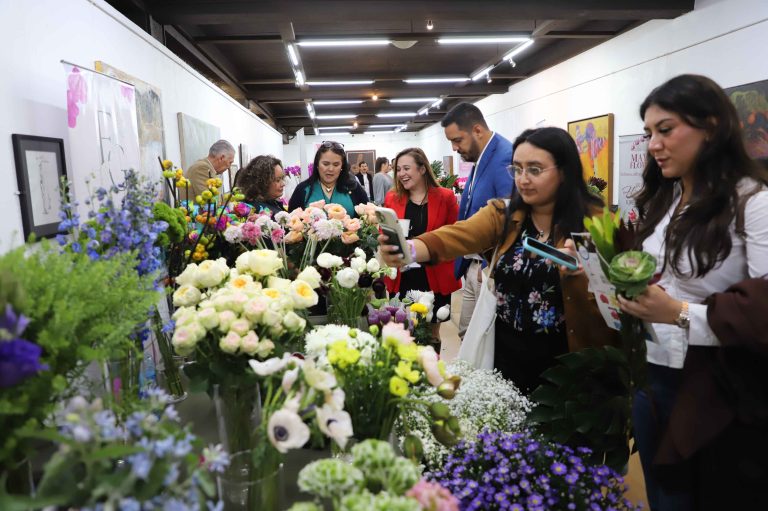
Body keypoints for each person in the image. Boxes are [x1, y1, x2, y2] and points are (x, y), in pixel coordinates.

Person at [616, 74, 768, 511]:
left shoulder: (751, 203)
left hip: (713, 388)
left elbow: (762, 316)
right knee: (664, 495)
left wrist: (679, 313)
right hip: (652, 375)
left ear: (713, 127)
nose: (653, 145)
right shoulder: (666, 199)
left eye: (666, 130)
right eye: (648, 134)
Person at [379, 127, 617, 393]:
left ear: (564, 171)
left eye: (535, 169)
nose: (523, 179)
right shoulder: (505, 214)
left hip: (568, 364)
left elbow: (615, 297)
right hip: (507, 358)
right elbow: (459, 234)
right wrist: (410, 249)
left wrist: (584, 274)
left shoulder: (593, 221)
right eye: (517, 169)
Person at [441, 102, 514, 340]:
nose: (454, 148)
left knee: (480, 342)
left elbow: (511, 219)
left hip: (488, 268)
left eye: (458, 140)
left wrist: (493, 264)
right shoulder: (482, 157)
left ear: (477, 131)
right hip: (473, 265)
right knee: (466, 337)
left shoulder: (504, 157)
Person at [383, 147, 461, 344]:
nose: (401, 173)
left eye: (406, 168)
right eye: (398, 169)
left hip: (434, 274)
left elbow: (455, 235)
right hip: (404, 275)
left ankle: (433, 371)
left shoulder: (445, 197)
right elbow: (384, 232)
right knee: (404, 333)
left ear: (422, 169)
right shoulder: (393, 198)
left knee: (432, 334)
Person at [288, 141, 368, 216]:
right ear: (317, 164)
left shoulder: (353, 187)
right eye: (325, 164)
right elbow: (291, 222)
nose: (330, 169)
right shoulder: (302, 189)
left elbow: (367, 218)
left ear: (342, 167)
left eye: (336, 165)